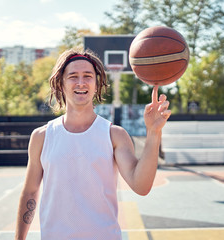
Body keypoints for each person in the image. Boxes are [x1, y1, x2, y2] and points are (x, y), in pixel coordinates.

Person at [15, 48, 171, 240]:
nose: (81, 82)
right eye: (73, 76)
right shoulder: (42, 136)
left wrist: (153, 133)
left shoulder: (114, 135)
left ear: (96, 85)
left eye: (87, 76)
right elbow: (30, 192)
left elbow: (141, 186)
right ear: (60, 84)